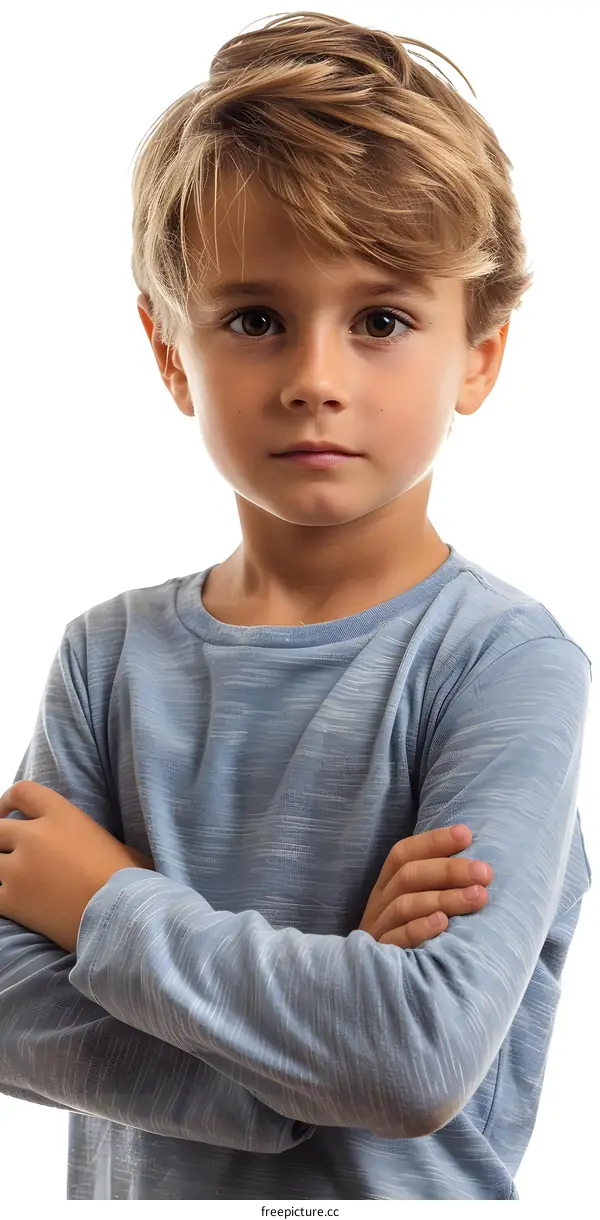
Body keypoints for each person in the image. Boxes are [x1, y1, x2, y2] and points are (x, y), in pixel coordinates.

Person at [0, 10, 592, 1203]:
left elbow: (415, 1052)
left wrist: (105, 902)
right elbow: (7, 1004)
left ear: (479, 351)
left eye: (381, 320)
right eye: (256, 319)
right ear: (172, 351)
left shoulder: (503, 661)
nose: (317, 378)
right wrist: (291, 1066)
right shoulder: (108, 656)